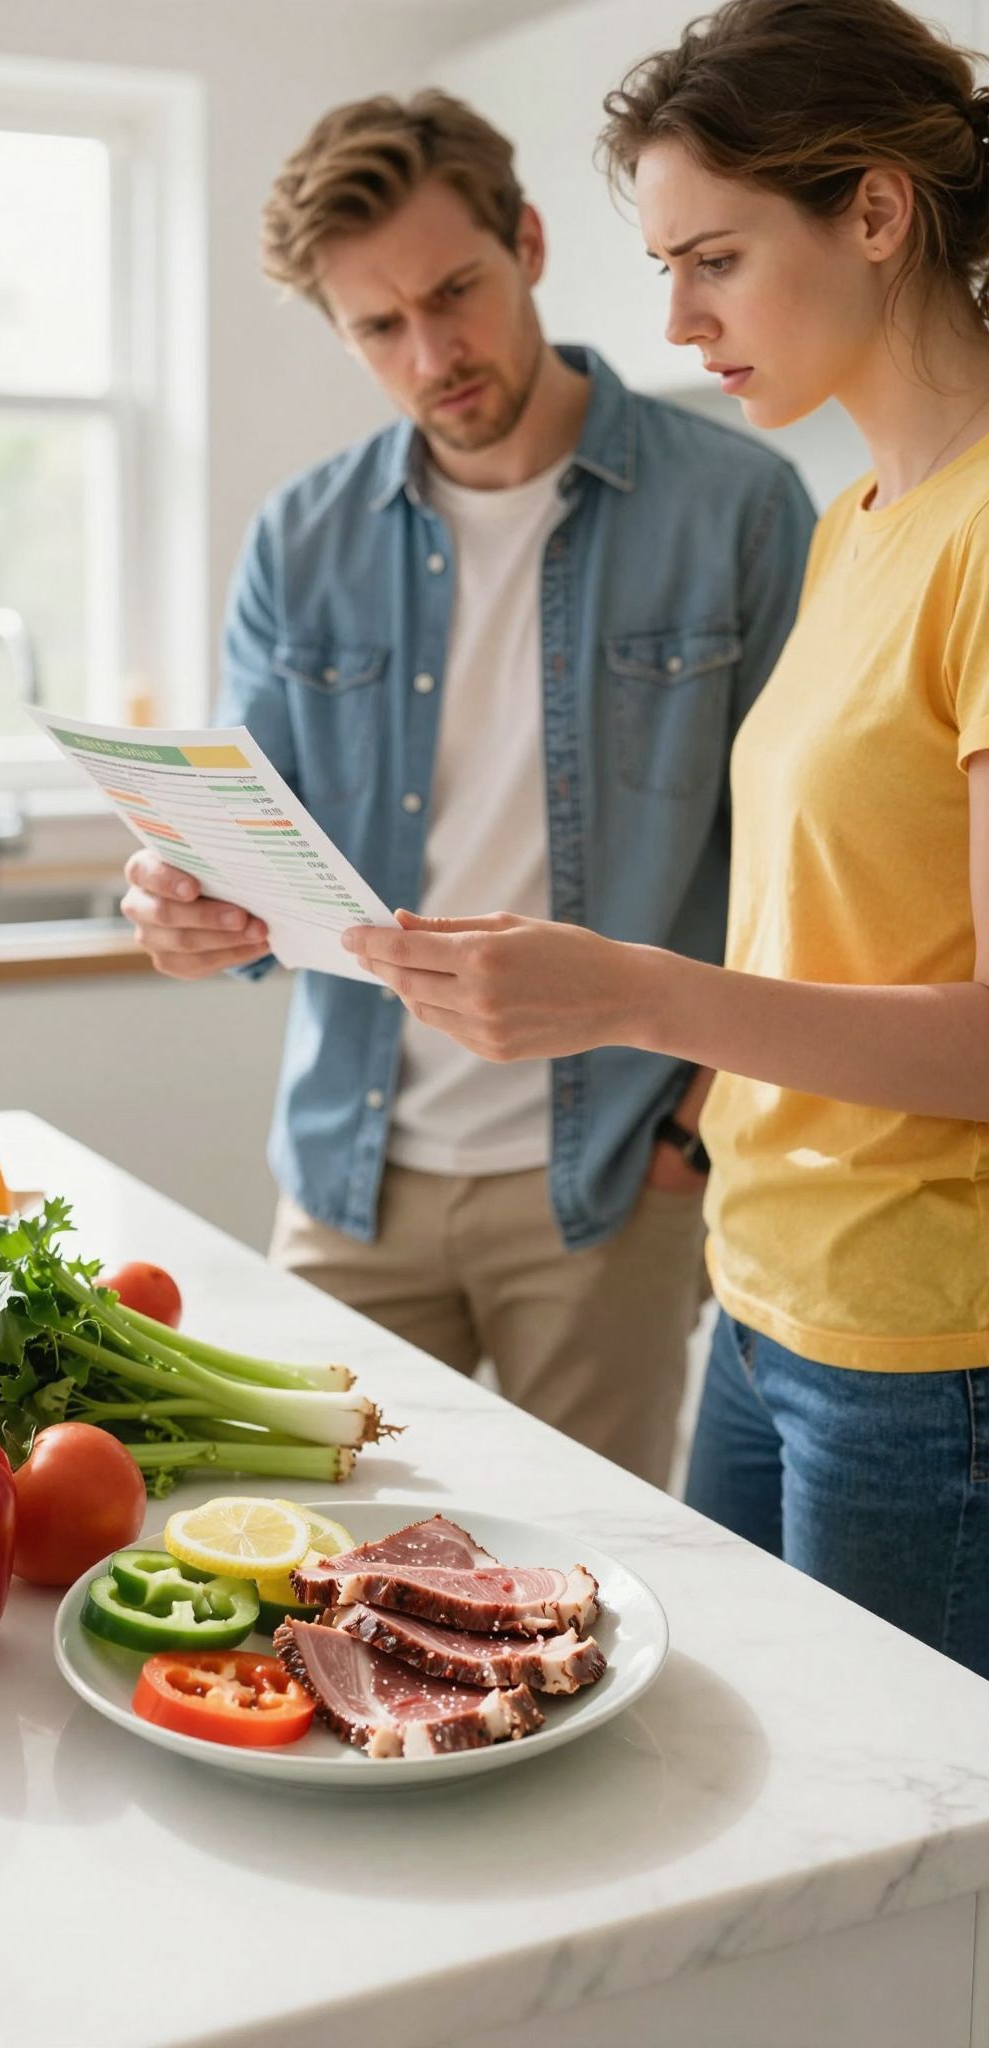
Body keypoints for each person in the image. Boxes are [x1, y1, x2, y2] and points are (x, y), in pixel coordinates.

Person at [344, 1, 989, 1675]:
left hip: (926, 1351)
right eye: (663, 268)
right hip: (768, 1307)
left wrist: (628, 994)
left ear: (876, 210)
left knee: (891, 1827)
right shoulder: (861, 520)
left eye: (714, 260)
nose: (679, 319)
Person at [122, 90, 814, 1486]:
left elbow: (804, 866)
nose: (432, 353)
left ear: (529, 245)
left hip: (613, 1180)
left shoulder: (737, 506)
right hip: (351, 1171)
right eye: (380, 326)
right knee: (306, 1551)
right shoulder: (301, 537)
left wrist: (690, 1136)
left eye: (455, 293)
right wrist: (184, 905)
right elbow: (246, 841)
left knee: (589, 1576)